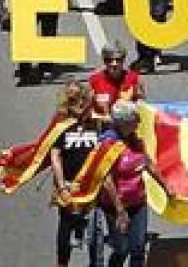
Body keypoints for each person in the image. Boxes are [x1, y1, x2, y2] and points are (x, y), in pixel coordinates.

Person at [94, 100, 161, 267]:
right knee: (122, 248)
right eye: (135, 119)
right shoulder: (108, 144)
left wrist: (168, 189)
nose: (139, 122)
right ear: (123, 123)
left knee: (138, 248)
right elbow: (106, 179)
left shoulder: (136, 141)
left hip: (138, 203)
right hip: (114, 206)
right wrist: (120, 211)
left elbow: (149, 164)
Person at [47, 83, 102, 267]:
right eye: (73, 101)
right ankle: (62, 262)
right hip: (69, 183)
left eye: (82, 101)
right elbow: (55, 155)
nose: (79, 106)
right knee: (66, 222)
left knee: (96, 228)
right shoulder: (61, 124)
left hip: (92, 184)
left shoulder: (96, 122)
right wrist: (61, 186)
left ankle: (95, 261)